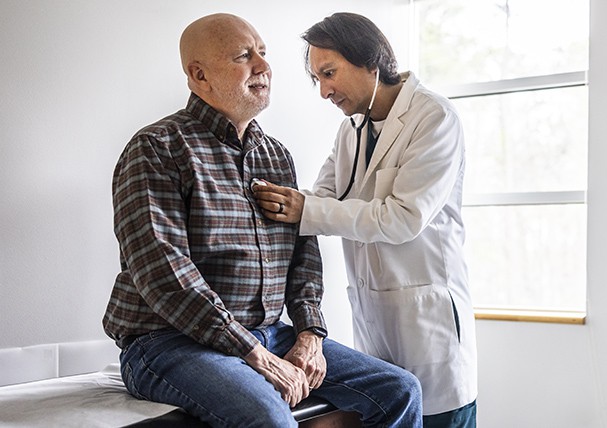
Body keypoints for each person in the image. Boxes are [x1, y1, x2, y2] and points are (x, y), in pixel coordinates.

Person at [102, 13, 422, 428]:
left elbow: (302, 256)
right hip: (167, 341)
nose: (263, 66)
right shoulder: (157, 149)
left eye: (263, 53)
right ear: (199, 75)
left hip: (268, 331)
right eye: (243, 56)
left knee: (400, 390)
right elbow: (164, 274)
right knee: (269, 417)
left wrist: (309, 335)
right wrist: (254, 354)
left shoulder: (275, 156)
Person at [252, 12, 478, 428]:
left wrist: (304, 209)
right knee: (391, 403)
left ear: (370, 60)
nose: (324, 91)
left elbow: (403, 218)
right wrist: (267, 200)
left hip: (427, 324)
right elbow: (320, 198)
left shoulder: (433, 118)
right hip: (375, 318)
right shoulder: (351, 130)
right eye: (317, 79)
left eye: (329, 73)